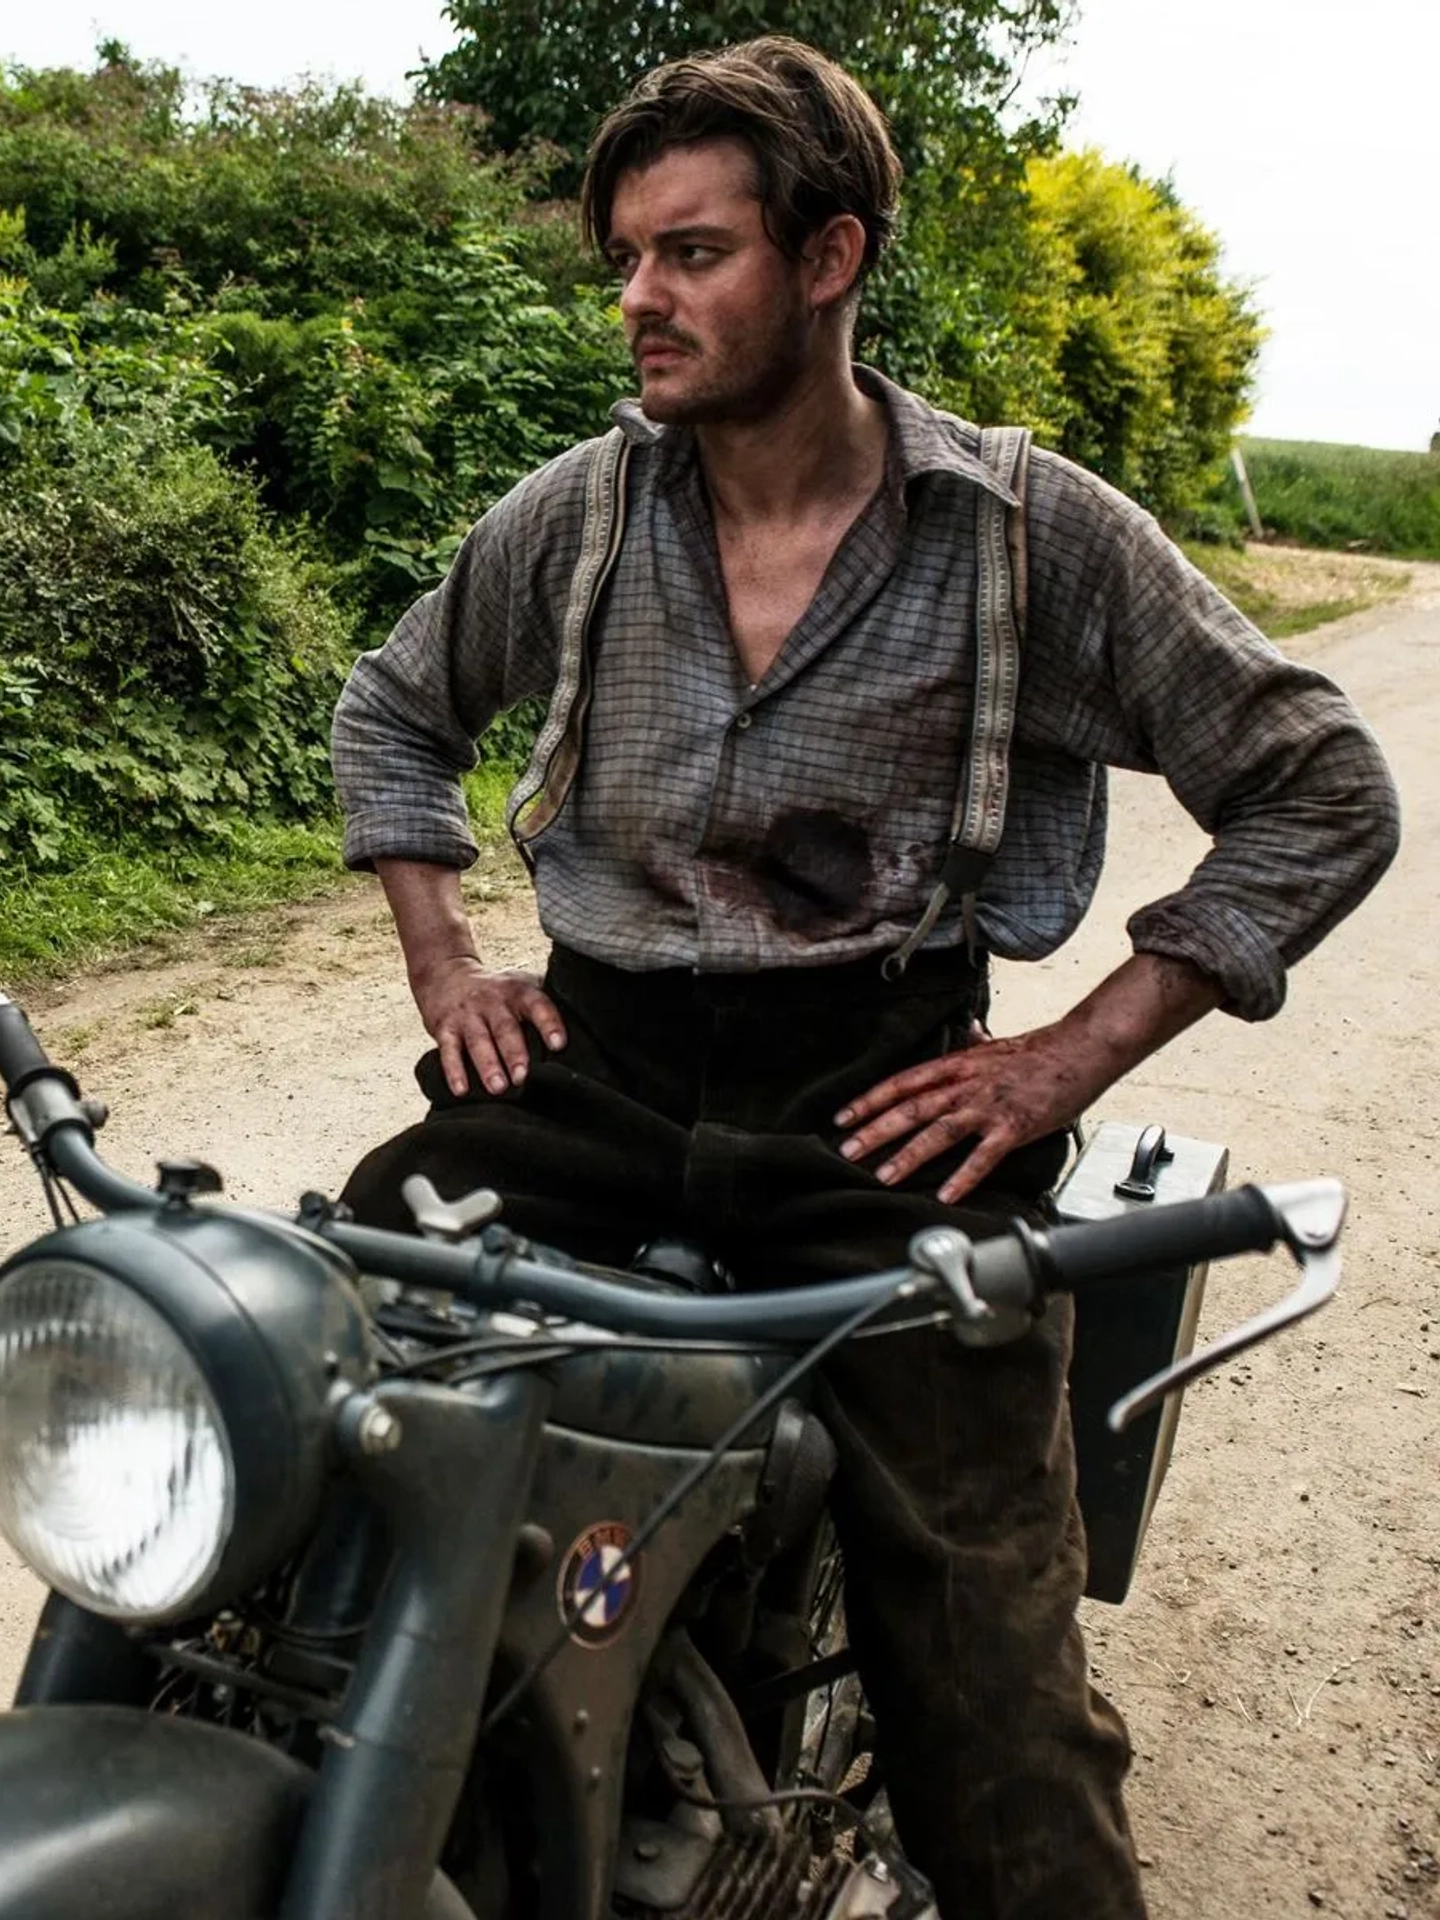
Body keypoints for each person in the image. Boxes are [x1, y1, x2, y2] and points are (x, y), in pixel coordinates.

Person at [330, 36, 1398, 1917]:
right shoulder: (582, 514)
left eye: (693, 254)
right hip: (594, 1078)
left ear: (828, 259)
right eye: (630, 260)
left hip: (881, 1119)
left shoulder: (1022, 535)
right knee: (305, 1413)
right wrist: (446, 964)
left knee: (994, 1713)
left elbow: (1322, 787)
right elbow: (395, 708)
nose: (641, 301)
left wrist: (1070, 1052)